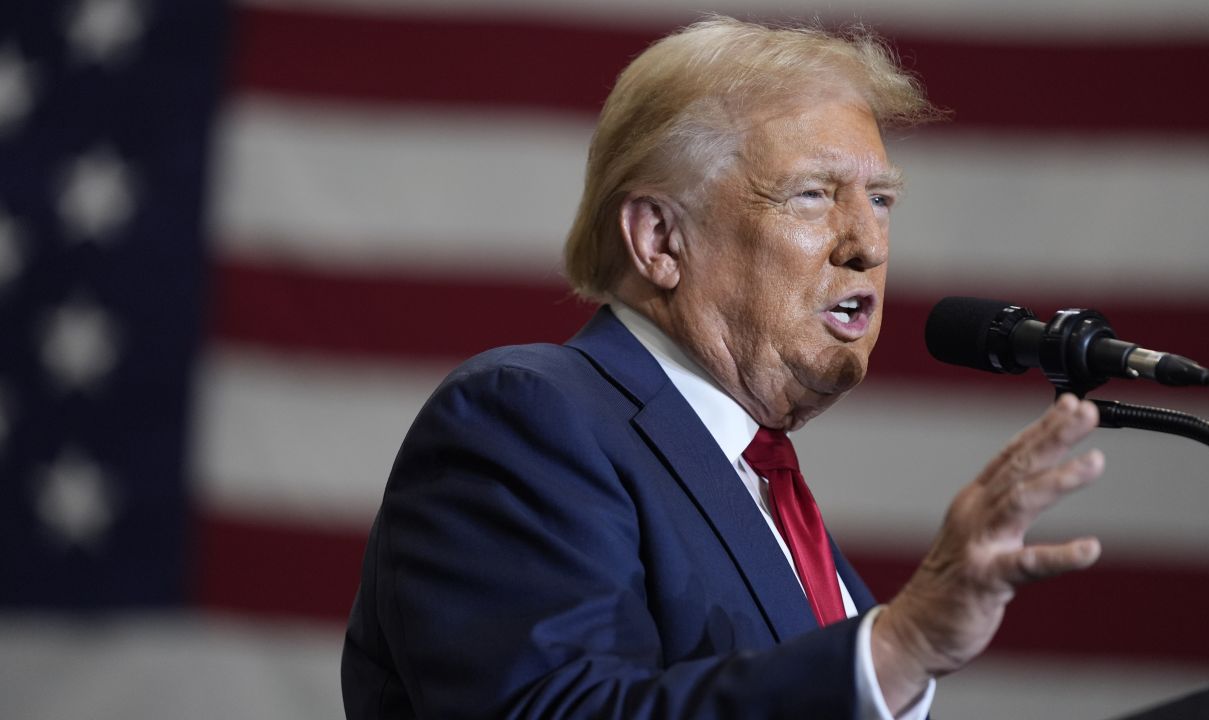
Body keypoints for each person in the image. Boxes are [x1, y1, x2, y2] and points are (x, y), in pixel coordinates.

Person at [341, 16, 1105, 719]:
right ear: (660, 241)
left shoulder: (759, 480)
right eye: (813, 196)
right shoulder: (526, 419)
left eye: (879, 200)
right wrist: (894, 650)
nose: (866, 244)